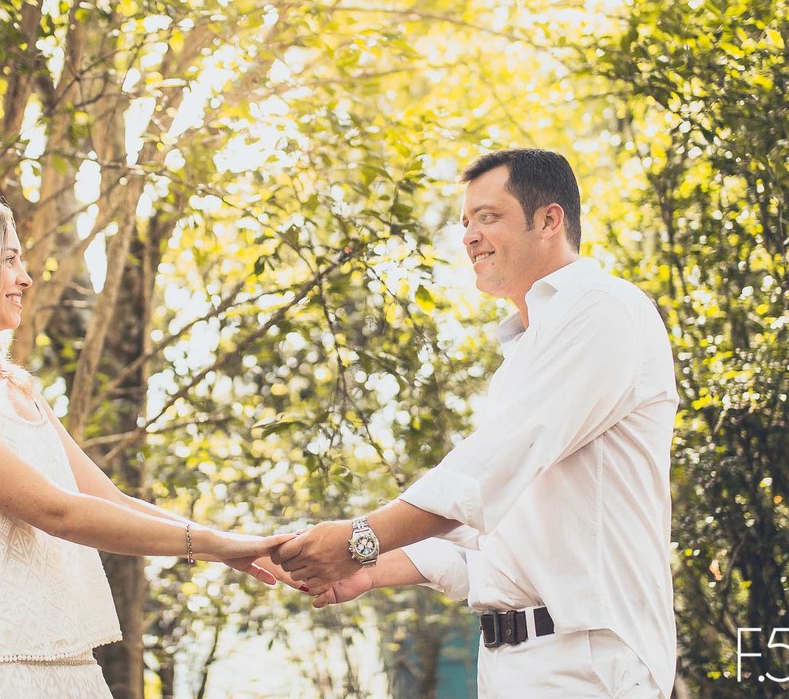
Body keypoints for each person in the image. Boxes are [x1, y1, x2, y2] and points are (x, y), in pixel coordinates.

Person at [272, 149, 678, 698]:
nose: (469, 236)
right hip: (514, 664)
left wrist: (361, 538)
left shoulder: (604, 308)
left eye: (488, 216)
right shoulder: (526, 354)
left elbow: (485, 474)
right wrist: (367, 568)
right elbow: (493, 542)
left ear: (549, 220)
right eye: (465, 222)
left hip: (586, 663)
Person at [0, 198, 290, 698]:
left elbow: (108, 501)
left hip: (62, 658)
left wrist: (227, 542)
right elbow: (58, 511)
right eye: (8, 260)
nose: (25, 278)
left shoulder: (15, 387)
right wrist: (218, 547)